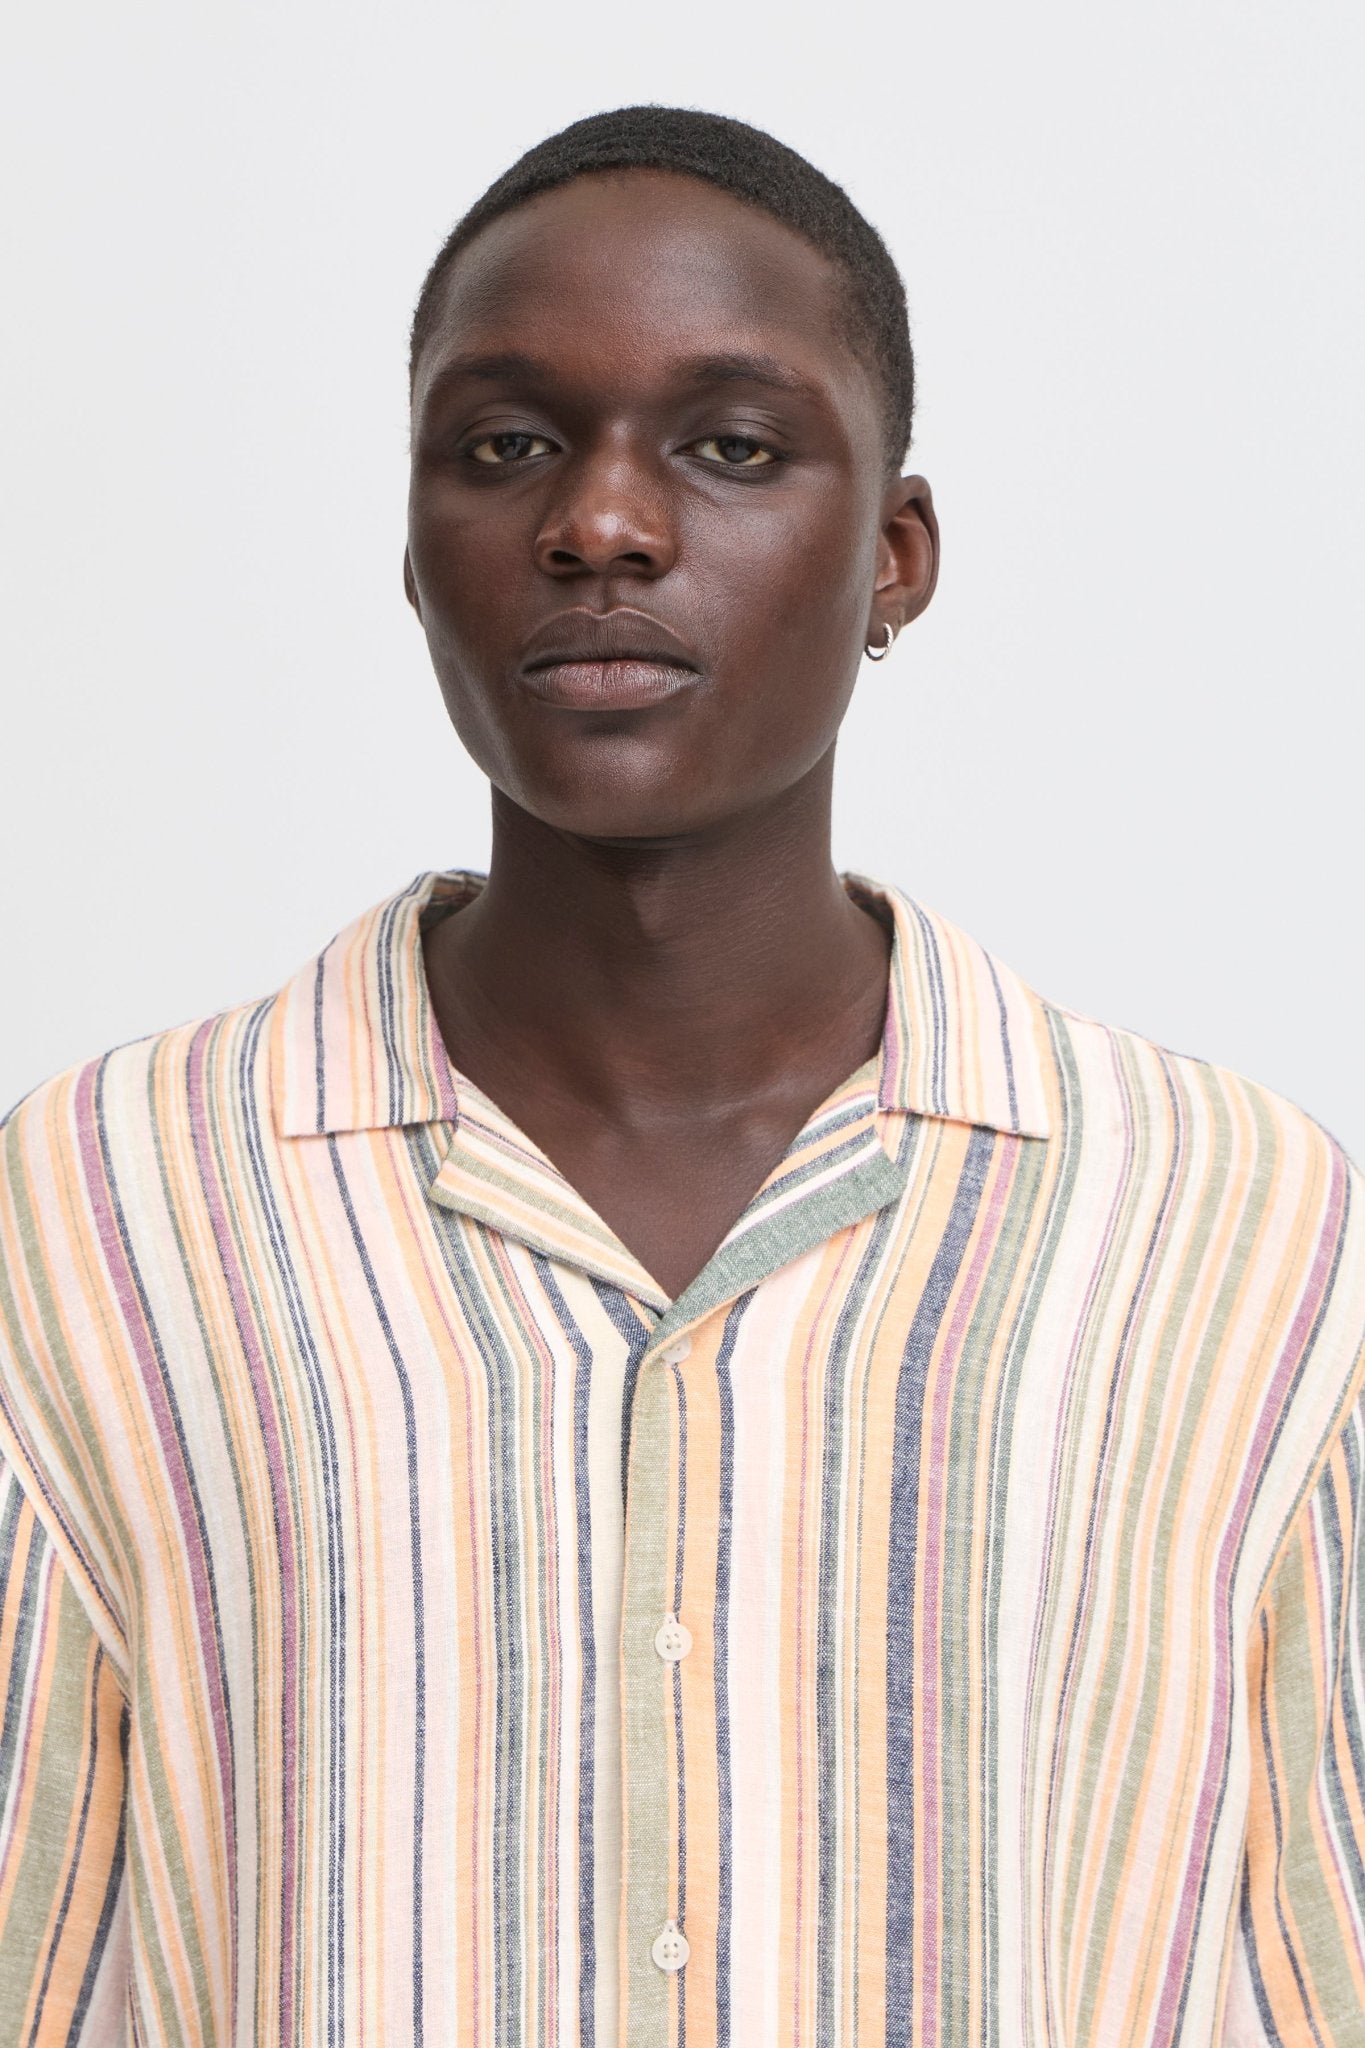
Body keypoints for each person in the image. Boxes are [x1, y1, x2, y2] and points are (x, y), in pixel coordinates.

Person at [0, 103, 1361, 2048]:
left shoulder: (1236, 1227)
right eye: (506, 445)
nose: (603, 525)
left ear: (893, 557)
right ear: (415, 551)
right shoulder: (96, 1205)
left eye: (729, 447)